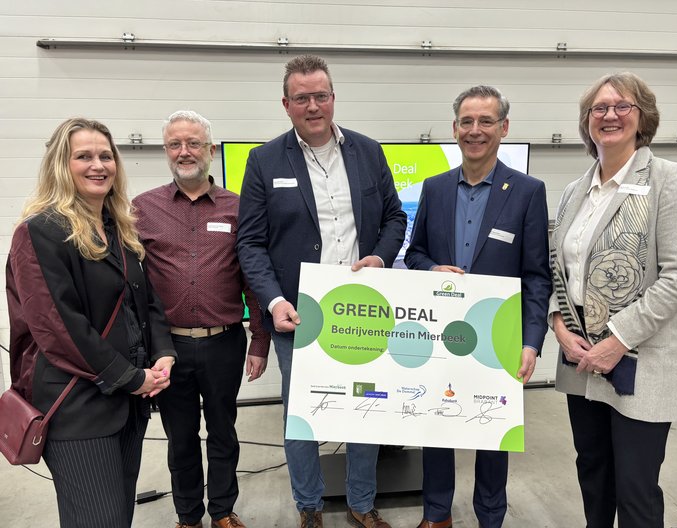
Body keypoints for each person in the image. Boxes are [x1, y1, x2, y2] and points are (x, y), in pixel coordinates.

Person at [237, 55, 407, 528]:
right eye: (302, 98)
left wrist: (380, 258)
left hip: (361, 309)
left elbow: (395, 217)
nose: (313, 106)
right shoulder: (264, 160)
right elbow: (250, 242)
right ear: (286, 104)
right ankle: (309, 506)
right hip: (298, 313)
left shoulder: (368, 152)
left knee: (365, 408)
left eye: (320, 96)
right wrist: (274, 301)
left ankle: (361, 504)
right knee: (303, 415)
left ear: (333, 98)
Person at [5, 118, 176, 528]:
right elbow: (58, 328)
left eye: (105, 156)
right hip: (78, 408)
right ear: (61, 166)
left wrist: (163, 355)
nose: (98, 165)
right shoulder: (40, 233)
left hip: (128, 403)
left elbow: (146, 301)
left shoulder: (119, 230)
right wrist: (131, 378)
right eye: (83, 156)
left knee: (117, 517)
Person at [550, 72, 677, 528]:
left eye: (623, 106)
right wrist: (559, 325)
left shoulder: (671, 180)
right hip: (581, 359)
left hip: (641, 359)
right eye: (599, 108)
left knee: (635, 489)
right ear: (587, 121)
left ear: (643, 117)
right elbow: (560, 270)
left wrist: (616, 340)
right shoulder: (574, 191)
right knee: (594, 475)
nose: (610, 115)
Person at [404, 85, 551, 528]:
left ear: (503, 128)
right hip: (441, 333)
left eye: (486, 121)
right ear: (454, 129)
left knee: (492, 429)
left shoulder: (527, 191)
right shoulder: (435, 188)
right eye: (466, 121)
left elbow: (537, 275)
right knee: (436, 424)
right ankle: (437, 514)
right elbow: (415, 253)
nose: (475, 130)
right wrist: (432, 269)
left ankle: (490, 517)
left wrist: (531, 342)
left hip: (497, 335)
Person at [133, 110, 270, 528]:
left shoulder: (238, 208)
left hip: (224, 342)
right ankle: (188, 516)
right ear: (166, 151)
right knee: (181, 438)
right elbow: (132, 284)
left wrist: (259, 340)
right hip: (166, 348)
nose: (184, 152)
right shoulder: (143, 209)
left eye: (193, 143)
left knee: (224, 431)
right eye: (175, 144)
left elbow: (253, 278)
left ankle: (223, 511)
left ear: (211, 150)